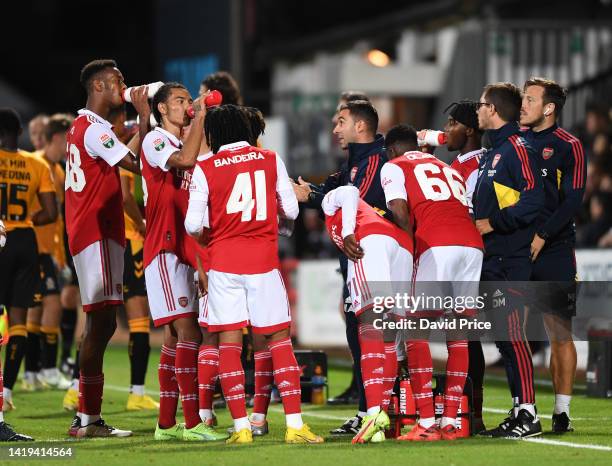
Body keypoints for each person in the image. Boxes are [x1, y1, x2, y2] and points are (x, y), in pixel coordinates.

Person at [185, 104, 323, 444]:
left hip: (223, 264)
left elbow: (191, 224)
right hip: (262, 262)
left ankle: (242, 428)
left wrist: (213, 233)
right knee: (278, 339)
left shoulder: (205, 166)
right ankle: (294, 426)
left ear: (214, 133)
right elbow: (290, 208)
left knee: (229, 343)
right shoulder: (269, 158)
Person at [293, 96, 389, 435]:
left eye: (341, 122)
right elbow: (329, 194)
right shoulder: (351, 165)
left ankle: (379, 411)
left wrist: (312, 197)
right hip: (355, 267)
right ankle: (368, 411)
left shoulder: (378, 160)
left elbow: (354, 202)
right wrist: (308, 193)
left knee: (377, 340)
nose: (335, 129)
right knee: (358, 338)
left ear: (360, 125)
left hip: (374, 267)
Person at [64, 59, 149, 438]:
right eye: (119, 82)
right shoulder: (94, 129)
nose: (124, 87)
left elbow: (118, 154)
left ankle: (88, 417)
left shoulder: (89, 127)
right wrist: (145, 117)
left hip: (99, 232)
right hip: (95, 232)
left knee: (104, 322)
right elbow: (133, 164)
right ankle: (86, 419)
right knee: (99, 322)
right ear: (98, 87)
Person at [382, 124, 484, 441]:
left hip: (435, 245)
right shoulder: (446, 167)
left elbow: (399, 209)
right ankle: (451, 422)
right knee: (458, 334)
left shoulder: (393, 165)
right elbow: (465, 210)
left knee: (415, 330)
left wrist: (409, 251)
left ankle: (426, 422)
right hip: (472, 245)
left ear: (391, 150)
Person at [141, 82, 227, 441]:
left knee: (175, 338)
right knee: (188, 329)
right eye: (179, 101)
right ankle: (192, 423)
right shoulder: (155, 139)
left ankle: (165, 424)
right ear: (161, 109)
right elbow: (186, 161)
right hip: (163, 248)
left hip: (184, 250)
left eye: (186, 101)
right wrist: (202, 115)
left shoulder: (180, 140)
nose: (186, 106)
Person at [473, 82, 545, 438]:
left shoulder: (518, 148)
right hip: (492, 258)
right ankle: (518, 410)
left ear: (495, 109)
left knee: (514, 335)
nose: (477, 110)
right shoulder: (494, 151)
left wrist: (492, 223)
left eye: (481, 105)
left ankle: (529, 414)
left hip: (510, 258)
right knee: (504, 337)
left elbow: (534, 200)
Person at [321, 185, 413, 444]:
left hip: (371, 239)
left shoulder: (329, 202)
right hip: (401, 247)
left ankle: (372, 415)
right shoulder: (369, 213)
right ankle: (381, 415)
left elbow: (350, 191)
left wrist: (349, 232)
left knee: (370, 325)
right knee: (390, 337)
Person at [520, 77, 587, 433]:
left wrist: (543, 236)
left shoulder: (569, 145)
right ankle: (523, 409)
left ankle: (562, 411)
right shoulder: (515, 140)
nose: (523, 105)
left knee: (559, 331)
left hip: (555, 249)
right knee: (515, 332)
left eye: (529, 99)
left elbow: (573, 199)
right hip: (517, 247)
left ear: (549, 108)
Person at [0, 107, 58, 441]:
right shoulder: (37, 165)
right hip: (25, 240)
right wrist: (25, 224)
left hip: (2, 238)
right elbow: (50, 212)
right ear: (20, 131)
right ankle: (7, 390)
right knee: (19, 319)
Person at [443, 100, 487, 431]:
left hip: (469, 257)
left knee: (467, 335)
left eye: (452, 124)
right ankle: (469, 411)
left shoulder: (475, 168)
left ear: (469, 130)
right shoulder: (459, 165)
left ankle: (473, 412)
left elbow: (472, 215)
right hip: (467, 255)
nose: (447, 131)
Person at [24, 113, 73, 391]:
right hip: (36, 249)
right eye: (68, 141)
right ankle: (50, 368)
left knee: (36, 311)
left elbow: (58, 222)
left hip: (47, 251)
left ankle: (32, 372)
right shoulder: (39, 164)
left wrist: (61, 256)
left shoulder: (57, 170)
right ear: (57, 138)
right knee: (50, 306)